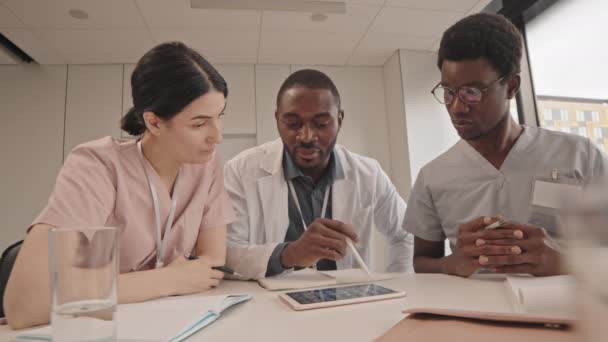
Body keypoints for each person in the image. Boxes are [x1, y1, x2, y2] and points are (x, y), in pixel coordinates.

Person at [4, 42, 235, 329]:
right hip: (97, 327)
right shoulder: (97, 165)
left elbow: (211, 266)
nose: (217, 137)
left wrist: (106, 286)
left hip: (168, 323)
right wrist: (168, 279)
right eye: (199, 124)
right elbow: (27, 303)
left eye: (220, 116)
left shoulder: (206, 167)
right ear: (154, 122)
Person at [403, 13, 608, 277]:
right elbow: (422, 262)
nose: (456, 107)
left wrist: (560, 262)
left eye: (472, 92)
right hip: (471, 314)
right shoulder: (432, 178)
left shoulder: (580, 156)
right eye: (449, 92)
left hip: (563, 312)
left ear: (511, 87)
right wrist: (451, 263)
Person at [224, 69, 413, 280]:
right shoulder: (240, 170)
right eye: (293, 124)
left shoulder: (368, 174)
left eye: (321, 124)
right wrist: (290, 254)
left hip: (347, 301)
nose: (306, 136)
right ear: (277, 119)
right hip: (273, 303)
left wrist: (397, 283)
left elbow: (406, 234)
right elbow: (227, 252)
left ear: (339, 120)